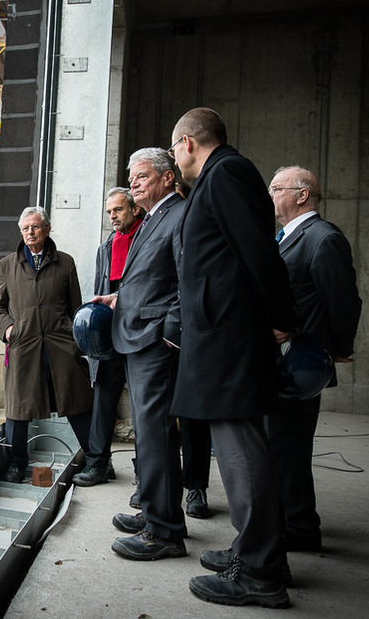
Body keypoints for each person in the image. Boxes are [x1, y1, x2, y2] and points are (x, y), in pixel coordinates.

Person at [168, 108, 298, 608]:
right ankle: (256, 550)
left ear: (187, 143)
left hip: (228, 339)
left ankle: (261, 570)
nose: (177, 156)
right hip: (222, 336)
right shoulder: (221, 177)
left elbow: (259, 252)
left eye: (175, 148)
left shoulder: (229, 172)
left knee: (241, 453)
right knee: (238, 449)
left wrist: (283, 315)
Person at [92, 148, 187, 560]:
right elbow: (151, 279)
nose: (134, 183)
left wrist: (169, 333)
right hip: (136, 333)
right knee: (149, 436)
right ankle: (156, 513)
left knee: (158, 436)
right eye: (131, 177)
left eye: (142, 175)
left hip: (154, 341)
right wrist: (119, 299)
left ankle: (164, 532)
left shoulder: (181, 214)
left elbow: (189, 280)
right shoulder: (154, 217)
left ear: (168, 178)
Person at [267, 166, 362, 551]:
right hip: (277, 363)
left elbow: (343, 302)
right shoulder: (284, 237)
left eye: (277, 188)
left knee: (290, 449)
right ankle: (285, 522)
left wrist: (335, 347)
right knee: (278, 448)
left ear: (302, 194)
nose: (270, 195)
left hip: (299, 364)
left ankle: (300, 530)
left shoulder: (322, 238)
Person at [0, 206, 94, 483]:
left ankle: (96, 460)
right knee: (19, 408)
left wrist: (75, 340)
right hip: (24, 345)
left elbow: (76, 307)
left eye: (35, 227)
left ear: (46, 229)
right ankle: (17, 464)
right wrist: (9, 328)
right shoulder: (7, 265)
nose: (30, 233)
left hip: (60, 345)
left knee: (76, 401)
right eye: (25, 228)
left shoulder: (65, 263)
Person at [72, 187, 143, 487]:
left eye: (118, 210)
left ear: (135, 209)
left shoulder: (147, 239)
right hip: (109, 338)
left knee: (143, 407)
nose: (112, 216)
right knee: (102, 401)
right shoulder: (106, 248)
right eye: (109, 212)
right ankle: (99, 464)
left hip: (140, 334)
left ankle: (146, 476)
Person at [173, 179, 213, 520]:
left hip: (192, 333)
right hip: (157, 334)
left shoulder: (197, 221)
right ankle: (151, 486)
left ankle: (196, 488)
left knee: (194, 419)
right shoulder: (157, 222)